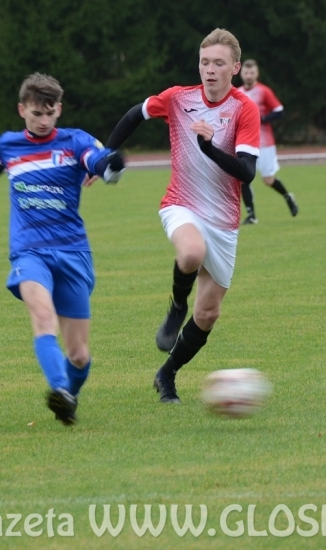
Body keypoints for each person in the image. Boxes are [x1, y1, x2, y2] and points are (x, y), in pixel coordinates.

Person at [0, 73, 125, 426]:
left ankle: (69, 396)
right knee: (43, 319)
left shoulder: (75, 142)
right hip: (29, 251)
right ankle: (59, 389)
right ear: (22, 110)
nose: (43, 121)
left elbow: (98, 163)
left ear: (58, 109)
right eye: (35, 114)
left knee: (78, 354)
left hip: (73, 252)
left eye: (49, 113)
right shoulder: (9, 145)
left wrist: (112, 169)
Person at [105, 28, 260, 403]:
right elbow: (134, 114)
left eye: (218, 63)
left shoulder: (244, 108)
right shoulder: (178, 98)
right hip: (182, 203)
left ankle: (167, 373)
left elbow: (246, 172)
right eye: (205, 62)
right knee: (190, 252)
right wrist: (103, 155)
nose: (209, 69)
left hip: (223, 221)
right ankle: (175, 307)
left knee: (208, 313)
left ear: (234, 68)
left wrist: (208, 147)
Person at [237, 59, 298, 224]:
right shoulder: (237, 92)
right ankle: (251, 215)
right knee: (243, 178)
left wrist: (262, 119)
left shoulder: (264, 91)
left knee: (268, 180)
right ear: (241, 73)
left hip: (265, 143)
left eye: (252, 72)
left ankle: (287, 196)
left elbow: (279, 111)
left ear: (256, 74)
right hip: (245, 143)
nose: (248, 75)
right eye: (246, 72)